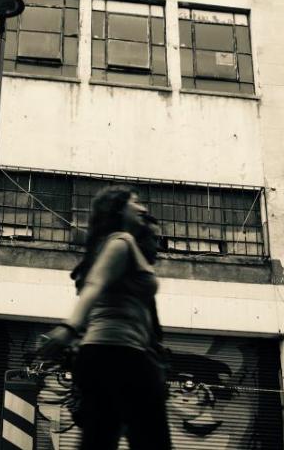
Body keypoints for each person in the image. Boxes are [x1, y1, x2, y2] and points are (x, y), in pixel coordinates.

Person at [37, 185, 171, 450]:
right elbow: (94, 286)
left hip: (105, 356)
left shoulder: (114, 245)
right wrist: (69, 327)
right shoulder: (121, 242)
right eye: (136, 202)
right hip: (120, 355)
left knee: (99, 441)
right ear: (120, 208)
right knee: (152, 441)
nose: (143, 207)